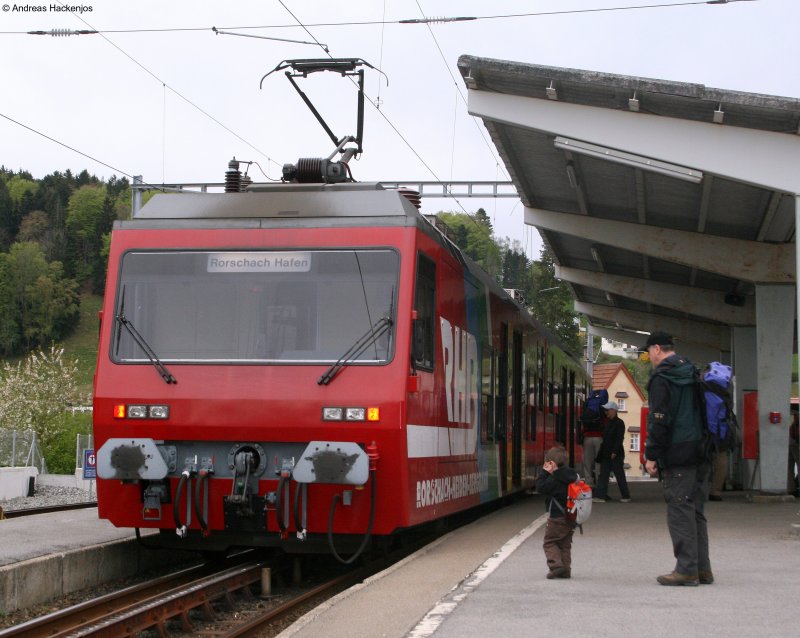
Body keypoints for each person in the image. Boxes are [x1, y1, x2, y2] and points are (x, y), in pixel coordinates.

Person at [643, 331, 712, 587]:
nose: (648, 356)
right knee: (696, 511)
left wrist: (651, 455)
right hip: (701, 451)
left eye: (649, 351)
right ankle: (702, 569)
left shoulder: (663, 378)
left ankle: (686, 570)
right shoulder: (692, 371)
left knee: (679, 509)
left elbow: (659, 420)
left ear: (658, 349)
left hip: (678, 453)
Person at [536, 446, 578, 579]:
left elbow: (541, 488)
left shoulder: (555, 478)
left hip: (557, 517)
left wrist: (544, 472)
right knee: (565, 544)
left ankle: (556, 566)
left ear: (552, 464)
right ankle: (566, 570)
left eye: (547, 463)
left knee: (550, 542)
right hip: (571, 517)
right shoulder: (572, 476)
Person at [592, 401, 632, 503]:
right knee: (604, 474)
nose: (606, 412)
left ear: (614, 410)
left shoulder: (619, 423)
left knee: (619, 475)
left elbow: (619, 438)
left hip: (615, 453)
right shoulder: (608, 422)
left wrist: (614, 451)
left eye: (608, 410)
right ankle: (601, 495)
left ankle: (625, 495)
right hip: (606, 452)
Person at [581, 412, 604, 487]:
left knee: (587, 462)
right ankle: (599, 481)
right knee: (599, 461)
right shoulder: (600, 413)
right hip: (599, 438)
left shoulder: (586, 414)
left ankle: (589, 482)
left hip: (587, 438)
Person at [788, 406, 799, 496]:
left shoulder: (792, 421)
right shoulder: (796, 419)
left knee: (789, 467)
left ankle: (791, 488)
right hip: (796, 443)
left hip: (789, 442)